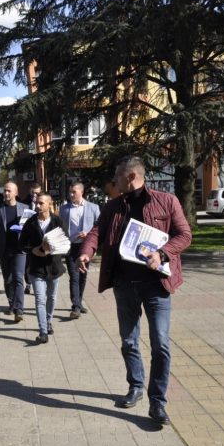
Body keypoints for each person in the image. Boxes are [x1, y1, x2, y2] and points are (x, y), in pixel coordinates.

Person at [78, 156, 192, 426]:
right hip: (124, 285)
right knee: (129, 341)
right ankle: (136, 386)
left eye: (117, 176)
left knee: (160, 345)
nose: (113, 182)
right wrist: (86, 252)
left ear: (131, 177)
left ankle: (158, 403)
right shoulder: (114, 206)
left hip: (156, 286)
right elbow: (97, 232)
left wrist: (162, 254)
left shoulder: (167, 201)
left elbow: (184, 235)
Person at [20, 193, 66, 344]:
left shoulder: (58, 221)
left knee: (51, 298)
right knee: (40, 299)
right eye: (36, 203)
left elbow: (66, 243)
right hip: (36, 268)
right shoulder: (31, 223)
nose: (37, 206)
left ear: (49, 204)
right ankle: (43, 331)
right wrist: (33, 250)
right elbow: (22, 244)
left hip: (54, 267)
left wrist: (53, 248)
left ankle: (48, 320)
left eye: (41, 203)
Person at [59, 181, 101, 319]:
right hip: (70, 246)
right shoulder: (64, 209)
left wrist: (88, 233)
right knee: (74, 276)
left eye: (74, 192)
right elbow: (61, 227)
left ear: (81, 192)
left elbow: (99, 227)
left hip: (85, 247)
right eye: (70, 192)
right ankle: (75, 306)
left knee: (83, 276)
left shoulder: (93, 208)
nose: (71, 195)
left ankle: (79, 301)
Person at [0, 181, 28, 322]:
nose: (6, 193)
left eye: (9, 191)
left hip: (20, 250)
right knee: (8, 279)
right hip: (4, 250)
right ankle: (12, 303)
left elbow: (31, 230)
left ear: (16, 193)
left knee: (18, 278)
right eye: (5, 190)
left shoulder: (25, 209)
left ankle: (19, 310)